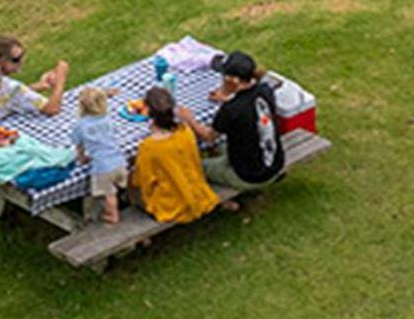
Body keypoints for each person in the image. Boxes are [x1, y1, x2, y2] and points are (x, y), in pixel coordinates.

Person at [129, 86, 223, 224]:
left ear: (147, 111)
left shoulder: (149, 147)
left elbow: (142, 180)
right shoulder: (185, 131)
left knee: (130, 185)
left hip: (171, 202)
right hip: (196, 190)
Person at [202, 50, 287, 192]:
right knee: (221, 147)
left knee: (197, 167)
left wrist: (188, 118)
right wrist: (225, 96)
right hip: (274, 163)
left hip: (250, 177)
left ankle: (219, 202)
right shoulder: (265, 90)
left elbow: (209, 137)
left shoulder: (231, 110)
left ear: (233, 80)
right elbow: (248, 103)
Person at [70, 86, 127, 226]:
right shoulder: (107, 119)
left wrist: (82, 159)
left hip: (102, 167)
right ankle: (125, 201)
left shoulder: (80, 125)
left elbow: (80, 147)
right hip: (120, 161)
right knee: (119, 185)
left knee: (109, 195)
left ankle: (113, 215)